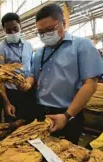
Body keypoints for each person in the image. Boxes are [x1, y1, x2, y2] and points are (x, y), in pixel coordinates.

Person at [26, 3, 103, 144]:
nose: (45, 35)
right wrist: (27, 83)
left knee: (65, 153)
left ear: (64, 23)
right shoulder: (39, 54)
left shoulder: (82, 46)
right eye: (41, 32)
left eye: (50, 29)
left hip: (68, 113)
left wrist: (67, 116)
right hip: (41, 112)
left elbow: (90, 85)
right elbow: (34, 76)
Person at [0, 13, 35, 122]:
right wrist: (6, 101)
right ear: (4, 30)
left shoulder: (28, 45)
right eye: (8, 30)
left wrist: (29, 83)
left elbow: (31, 67)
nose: (12, 33)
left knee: (30, 121)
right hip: (12, 94)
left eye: (15, 29)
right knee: (15, 124)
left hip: (28, 89)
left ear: (20, 26)